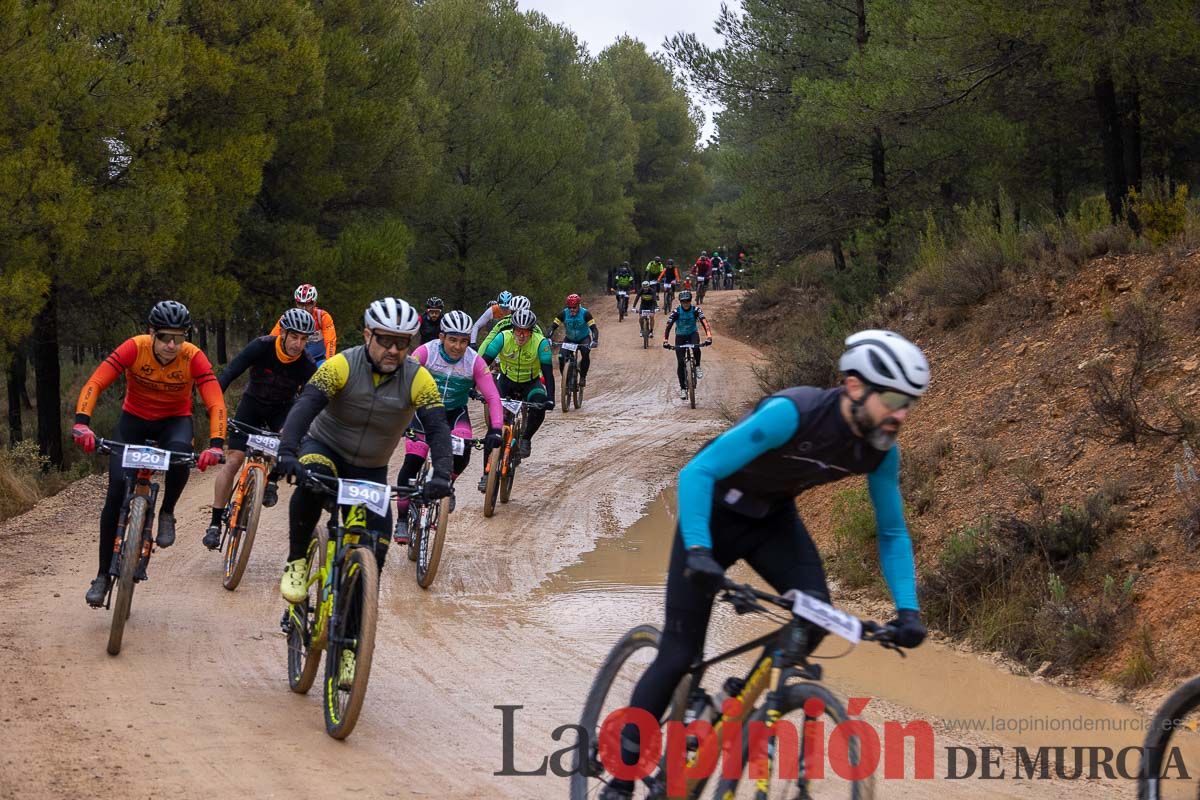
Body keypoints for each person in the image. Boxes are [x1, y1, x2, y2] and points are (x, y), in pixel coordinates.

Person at [599, 330, 931, 799]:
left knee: (816, 614)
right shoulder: (792, 414)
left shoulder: (879, 450)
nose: (901, 414)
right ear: (856, 386)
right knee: (679, 652)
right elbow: (697, 471)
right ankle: (621, 775)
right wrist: (698, 550)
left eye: (909, 403)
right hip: (713, 514)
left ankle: (734, 703)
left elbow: (892, 532)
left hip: (772, 520)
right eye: (894, 399)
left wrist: (908, 612)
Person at [275, 297, 453, 689]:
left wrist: (442, 475)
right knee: (309, 480)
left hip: (370, 467)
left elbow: (438, 427)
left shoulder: (418, 377)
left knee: (376, 549)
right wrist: (288, 452)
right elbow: (307, 405)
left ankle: (352, 646)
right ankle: (297, 563)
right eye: (386, 340)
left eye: (402, 343)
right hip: (324, 447)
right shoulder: (342, 365)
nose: (393, 350)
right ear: (368, 335)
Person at [73, 301, 227, 606]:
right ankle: (103, 576)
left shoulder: (192, 357)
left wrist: (216, 444)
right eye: (165, 337)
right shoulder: (134, 348)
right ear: (151, 333)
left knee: (182, 455)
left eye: (179, 337)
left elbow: (215, 402)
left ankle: (167, 511)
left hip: (174, 423)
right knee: (115, 493)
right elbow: (96, 382)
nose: (172, 345)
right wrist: (82, 424)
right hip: (133, 421)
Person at [202, 308, 319, 550]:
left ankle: (272, 479)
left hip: (282, 410)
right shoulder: (261, 346)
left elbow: (313, 399)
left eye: (304, 339)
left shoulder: (307, 364)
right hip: (252, 405)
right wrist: (214, 402)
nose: (299, 344)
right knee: (233, 460)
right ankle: (214, 524)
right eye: (295, 337)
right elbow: (230, 372)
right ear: (284, 333)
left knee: (289, 444)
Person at [393, 310, 503, 544]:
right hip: (423, 412)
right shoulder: (425, 352)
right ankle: (402, 519)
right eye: (453, 340)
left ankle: (446, 485)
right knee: (412, 462)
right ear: (442, 336)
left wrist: (495, 429)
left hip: (454, 414)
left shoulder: (474, 361)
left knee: (462, 452)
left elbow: (493, 397)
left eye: (463, 341)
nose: (458, 346)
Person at [479, 308, 555, 469]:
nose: (521, 335)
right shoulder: (503, 338)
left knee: (539, 403)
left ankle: (526, 438)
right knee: (493, 429)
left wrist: (551, 398)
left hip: (530, 383)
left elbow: (548, 374)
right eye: (518, 330)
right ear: (513, 329)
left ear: (531, 331)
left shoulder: (540, 343)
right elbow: (482, 364)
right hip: (506, 382)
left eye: (526, 331)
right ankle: (486, 475)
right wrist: (471, 388)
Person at [270, 283, 336, 366]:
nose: (304, 308)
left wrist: (329, 363)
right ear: (296, 303)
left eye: (308, 304)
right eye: (300, 304)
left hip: (318, 359)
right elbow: (272, 338)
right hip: (295, 360)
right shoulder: (288, 317)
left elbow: (330, 342)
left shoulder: (322, 317)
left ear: (314, 303)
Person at [662, 290, 712, 398]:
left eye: (688, 301)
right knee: (680, 362)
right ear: (680, 302)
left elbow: (705, 323)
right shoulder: (676, 312)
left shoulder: (696, 310)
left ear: (690, 301)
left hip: (692, 334)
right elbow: (668, 326)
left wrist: (709, 336)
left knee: (696, 348)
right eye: (683, 301)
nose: (686, 303)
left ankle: (697, 366)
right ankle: (683, 388)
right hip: (680, 336)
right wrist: (665, 340)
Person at [547, 294, 599, 388]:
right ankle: (566, 379)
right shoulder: (563, 313)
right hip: (569, 339)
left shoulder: (585, 314)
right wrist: (548, 338)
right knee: (561, 357)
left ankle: (583, 377)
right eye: (569, 307)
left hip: (583, 338)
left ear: (579, 305)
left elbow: (594, 328)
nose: (572, 310)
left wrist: (595, 340)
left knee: (585, 352)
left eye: (574, 307)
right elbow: (553, 326)